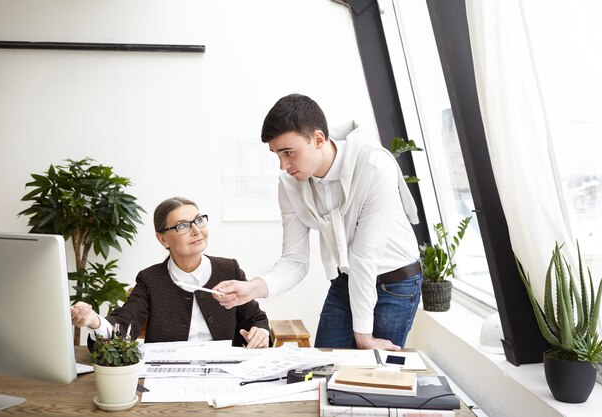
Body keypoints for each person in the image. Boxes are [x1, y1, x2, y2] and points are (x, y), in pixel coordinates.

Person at [214, 93, 421, 350]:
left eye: (288, 152)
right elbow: (295, 260)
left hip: (396, 280)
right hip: (347, 279)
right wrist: (253, 287)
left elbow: (365, 256)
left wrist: (363, 337)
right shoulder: (289, 184)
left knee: (375, 373)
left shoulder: (373, 166)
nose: (283, 165)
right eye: (277, 154)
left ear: (318, 139)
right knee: (324, 366)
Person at [71, 197, 270, 349]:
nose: (196, 230)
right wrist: (93, 321)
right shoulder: (150, 280)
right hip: (168, 380)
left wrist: (260, 331)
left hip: (224, 377)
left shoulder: (228, 269)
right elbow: (124, 326)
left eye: (199, 220)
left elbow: (255, 318)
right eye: (182, 226)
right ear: (163, 239)